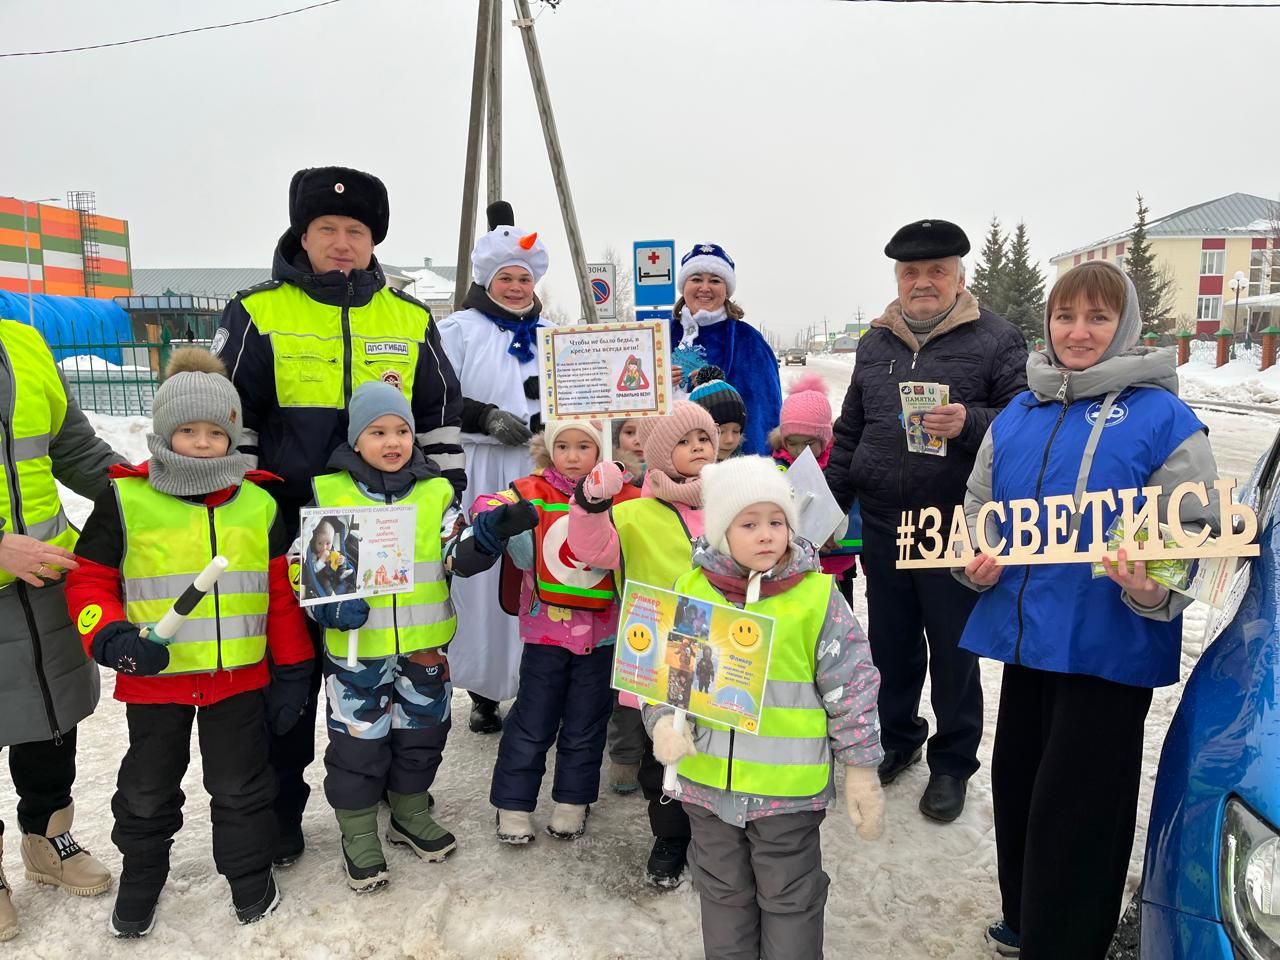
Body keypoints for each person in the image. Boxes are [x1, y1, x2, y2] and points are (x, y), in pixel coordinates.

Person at [958, 261, 1220, 960]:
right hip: (1025, 637)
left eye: (1098, 318)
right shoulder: (1022, 410)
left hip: (1109, 649)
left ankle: (1064, 942)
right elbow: (980, 507)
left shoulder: (1164, 417)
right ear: (1046, 323)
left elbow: (1193, 525)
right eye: (1065, 316)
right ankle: (1027, 917)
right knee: (1018, 787)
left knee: (1078, 812)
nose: (1078, 332)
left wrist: (1150, 586)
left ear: (1125, 325)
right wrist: (974, 562)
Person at [213, 165, 465, 867]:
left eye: (356, 230)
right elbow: (235, 421)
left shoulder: (409, 318)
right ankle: (283, 811)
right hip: (297, 530)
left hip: (398, 534)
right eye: (327, 228)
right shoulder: (259, 311)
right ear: (303, 233)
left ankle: (401, 794)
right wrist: (256, 516)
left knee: (401, 667)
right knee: (292, 676)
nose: (343, 242)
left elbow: (439, 420)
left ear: (373, 238)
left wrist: (446, 505)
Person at [65, 349, 315, 937]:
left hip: (239, 682)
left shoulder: (258, 501)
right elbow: (89, 580)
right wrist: (110, 638)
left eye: (216, 431)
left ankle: (248, 874)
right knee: (147, 791)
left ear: (233, 435)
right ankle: (142, 877)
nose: (203, 442)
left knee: (242, 786)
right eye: (187, 430)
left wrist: (294, 670)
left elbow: (279, 593)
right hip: (157, 680)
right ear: (163, 432)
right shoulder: (126, 499)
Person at [825, 218, 1028, 823]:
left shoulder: (996, 338)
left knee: (954, 651)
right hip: (884, 522)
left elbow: (1022, 424)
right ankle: (899, 737)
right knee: (889, 645)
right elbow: (850, 429)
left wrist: (967, 420)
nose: (922, 282)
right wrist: (825, 502)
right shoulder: (875, 342)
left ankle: (952, 762)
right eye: (911, 272)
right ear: (897, 278)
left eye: (936, 271)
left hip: (952, 526)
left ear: (959, 276)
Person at [646, 455, 884, 960]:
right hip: (707, 788)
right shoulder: (691, 591)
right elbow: (666, 678)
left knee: (791, 900)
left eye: (777, 521)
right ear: (719, 533)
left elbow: (853, 685)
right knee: (722, 894)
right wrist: (662, 721)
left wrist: (861, 768)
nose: (766, 535)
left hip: (787, 796)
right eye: (749, 523)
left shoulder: (817, 598)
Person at [301, 382, 504, 893]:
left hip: (424, 650)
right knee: (357, 747)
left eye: (402, 431)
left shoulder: (436, 492)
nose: (392, 442)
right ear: (356, 439)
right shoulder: (332, 492)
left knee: (421, 738)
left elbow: (456, 551)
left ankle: (410, 812)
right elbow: (298, 565)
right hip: (357, 654)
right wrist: (329, 601)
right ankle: (358, 832)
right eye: (378, 432)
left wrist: (486, 536)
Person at [0, 319, 122, 942]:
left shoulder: (22, 341)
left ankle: (48, 838)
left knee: (52, 716)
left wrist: (148, 494)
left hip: (45, 580)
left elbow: (75, 449)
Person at [568, 402, 719, 886]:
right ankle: (671, 837)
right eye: (684, 440)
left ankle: (719, 839)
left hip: (730, 655)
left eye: (705, 438)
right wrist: (591, 503)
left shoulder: (735, 502)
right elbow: (590, 551)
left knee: (721, 751)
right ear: (658, 453)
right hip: (658, 655)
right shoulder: (632, 514)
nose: (698, 447)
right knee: (666, 758)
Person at [469, 419, 637, 844]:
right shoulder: (531, 488)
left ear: (601, 450)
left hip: (602, 635)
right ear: (549, 449)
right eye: (563, 446)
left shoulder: (623, 492)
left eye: (585, 446)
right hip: (546, 633)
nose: (574, 456)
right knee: (532, 718)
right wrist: (502, 520)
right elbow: (485, 503)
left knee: (586, 721)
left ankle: (572, 802)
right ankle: (512, 804)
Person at [438, 200, 551, 736]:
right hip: (483, 468)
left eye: (522, 278)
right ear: (488, 280)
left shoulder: (555, 332)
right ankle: (484, 688)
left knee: (540, 572)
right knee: (485, 581)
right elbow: (434, 396)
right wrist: (483, 415)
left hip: (544, 470)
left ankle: (537, 681)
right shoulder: (458, 330)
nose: (514, 287)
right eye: (505, 277)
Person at [669, 244, 781, 456]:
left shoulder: (748, 341)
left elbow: (763, 410)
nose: (705, 287)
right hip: (667, 465)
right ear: (684, 286)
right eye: (696, 279)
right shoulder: (659, 336)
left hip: (729, 466)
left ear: (726, 289)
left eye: (715, 280)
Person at [767, 373, 858, 598]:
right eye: (792, 443)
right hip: (793, 567)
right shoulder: (777, 466)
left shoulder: (839, 465)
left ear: (825, 438)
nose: (799, 451)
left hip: (837, 565)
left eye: (809, 443)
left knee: (839, 619)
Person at [689, 366, 748, 461]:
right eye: (719, 432)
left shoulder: (744, 469)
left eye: (736, 431)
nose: (730, 440)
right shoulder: (683, 472)